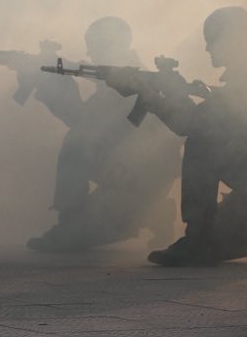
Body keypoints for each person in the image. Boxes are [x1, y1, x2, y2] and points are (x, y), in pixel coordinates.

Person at [121, 7, 247, 267]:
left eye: (212, 40)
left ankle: (198, 238)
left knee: (202, 143)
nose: (208, 49)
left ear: (232, 40)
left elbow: (192, 123)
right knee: (231, 233)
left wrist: (156, 99)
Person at [24, 17, 181, 252]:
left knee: (75, 148)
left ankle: (139, 212)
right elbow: (86, 125)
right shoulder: (119, 82)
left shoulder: (137, 82)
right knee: (78, 145)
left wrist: (56, 89)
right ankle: (155, 214)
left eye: (96, 47)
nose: (91, 53)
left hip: (139, 175)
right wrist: (52, 86)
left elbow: (85, 131)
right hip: (127, 172)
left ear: (113, 46)